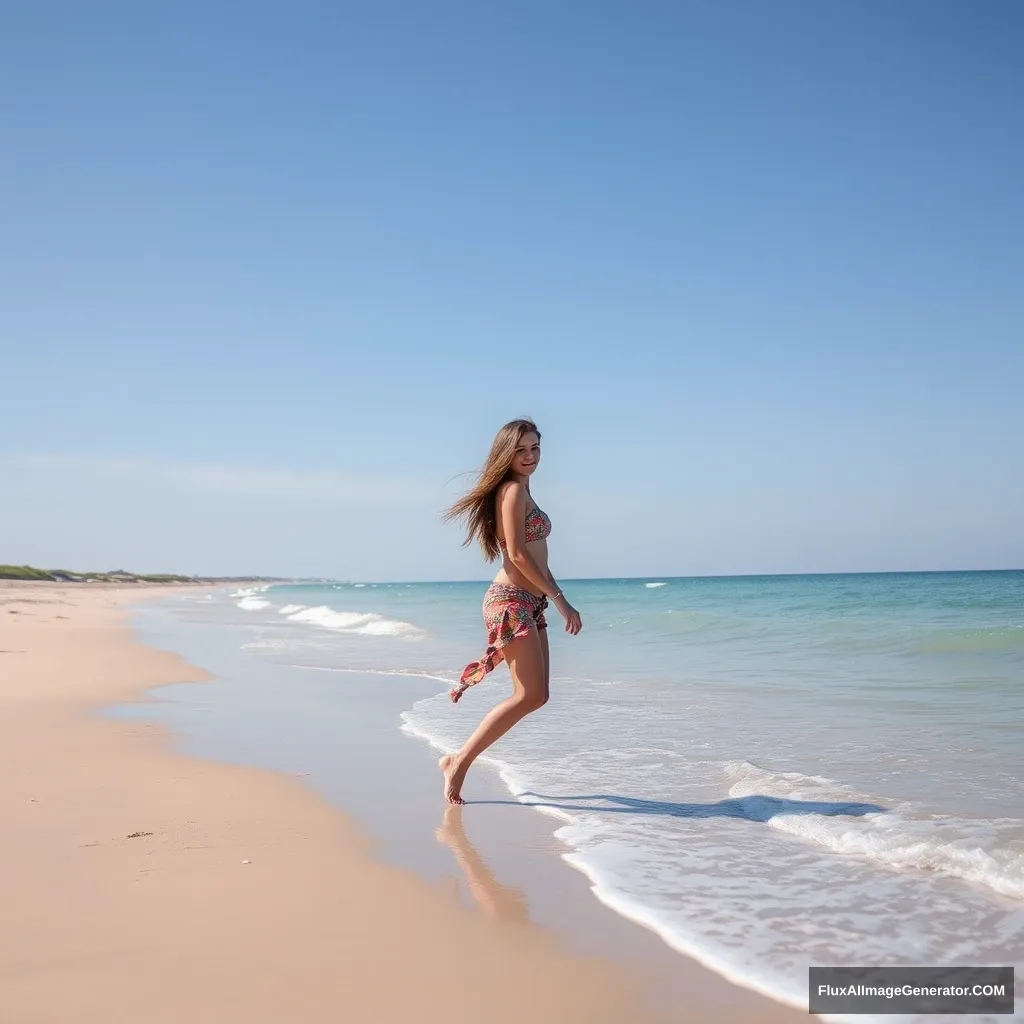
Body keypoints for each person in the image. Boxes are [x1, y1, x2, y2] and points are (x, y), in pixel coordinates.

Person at [439, 418, 582, 804]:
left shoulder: (523, 491)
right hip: (510, 601)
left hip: (528, 600)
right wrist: (561, 599)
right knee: (527, 695)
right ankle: (459, 762)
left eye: (535, 448)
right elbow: (517, 554)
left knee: (537, 696)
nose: (530, 456)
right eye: (521, 450)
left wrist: (549, 594)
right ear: (506, 453)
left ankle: (459, 760)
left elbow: (537, 559)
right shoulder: (512, 492)